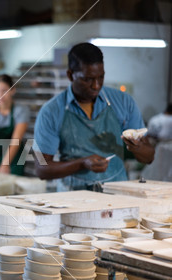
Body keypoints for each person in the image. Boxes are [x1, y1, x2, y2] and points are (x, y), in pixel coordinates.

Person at [34, 42, 155, 191]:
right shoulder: (50, 112)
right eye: (88, 79)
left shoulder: (123, 102)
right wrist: (81, 163)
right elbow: (41, 168)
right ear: (70, 75)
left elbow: (148, 157)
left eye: (101, 77)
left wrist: (137, 147)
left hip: (117, 193)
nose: (96, 85)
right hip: (73, 198)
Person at [141, 103, 172, 181]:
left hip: (157, 147)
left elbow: (147, 135)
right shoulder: (168, 120)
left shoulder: (155, 118)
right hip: (161, 147)